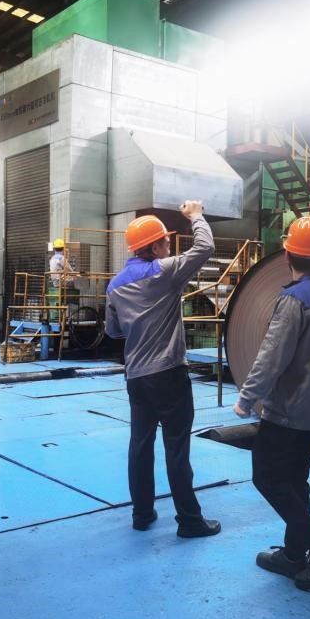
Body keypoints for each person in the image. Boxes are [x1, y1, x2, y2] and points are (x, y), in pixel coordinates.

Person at [233, 215, 310, 591]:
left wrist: (247, 397)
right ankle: (293, 555)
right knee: (295, 480)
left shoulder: (294, 299)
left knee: (267, 477)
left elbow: (272, 355)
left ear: (288, 255)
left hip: (289, 412)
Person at [106, 201, 221, 538]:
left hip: (136, 377)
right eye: (166, 242)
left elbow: (114, 331)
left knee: (140, 445)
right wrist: (195, 215)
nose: (169, 246)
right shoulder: (166, 271)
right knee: (176, 447)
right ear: (154, 247)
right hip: (169, 374)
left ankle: (142, 514)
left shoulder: (114, 285)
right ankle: (189, 520)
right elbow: (205, 247)